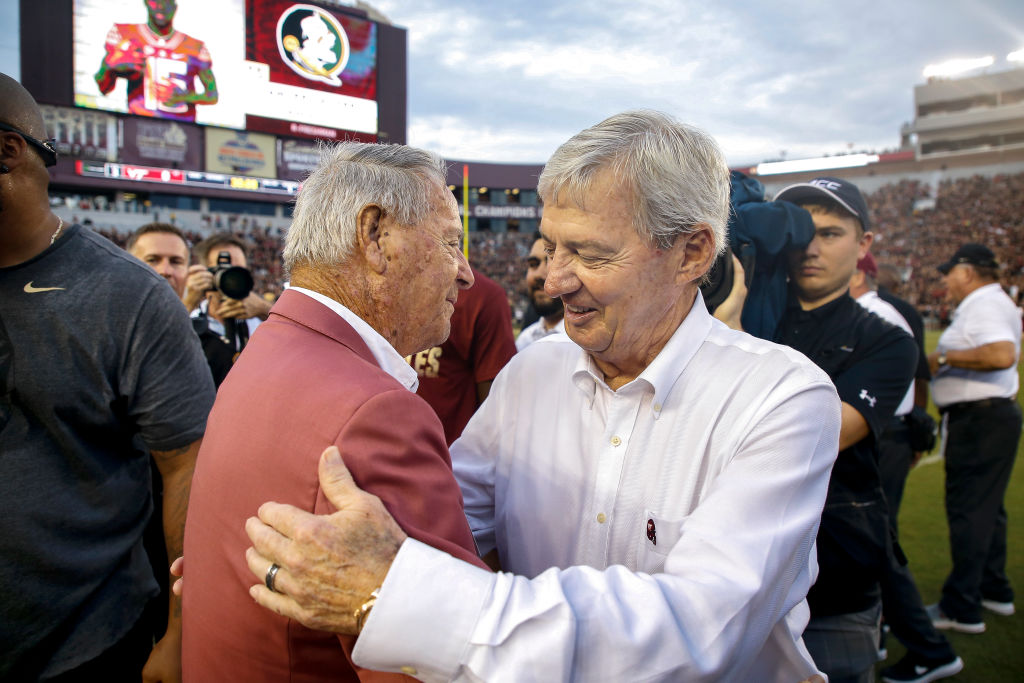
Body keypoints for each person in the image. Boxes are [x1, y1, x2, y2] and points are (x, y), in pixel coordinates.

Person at [242, 111, 843, 681]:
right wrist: (290, 556)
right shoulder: (531, 373)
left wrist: (396, 595)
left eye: (590, 254)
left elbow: (696, 635)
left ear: (692, 253)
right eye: (553, 246)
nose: (554, 280)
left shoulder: (783, 400)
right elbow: (438, 522)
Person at [181, 142, 488, 681]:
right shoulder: (375, 411)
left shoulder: (269, 348)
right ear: (375, 235)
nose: (465, 272)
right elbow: (441, 662)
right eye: (450, 242)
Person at [0, 72, 214, 680]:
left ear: (7, 150)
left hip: (83, 642)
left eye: (180, 260)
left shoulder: (127, 295)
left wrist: (181, 628)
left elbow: (188, 465)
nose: (170, 270)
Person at [771, 177, 925, 683]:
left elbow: (819, 437)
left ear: (864, 245)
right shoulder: (750, 319)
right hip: (731, 577)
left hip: (834, 584)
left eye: (831, 233)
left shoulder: (886, 340)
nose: (811, 248)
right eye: (801, 232)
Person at [848, 253, 962, 683]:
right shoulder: (886, 311)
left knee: (873, 540)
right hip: (888, 431)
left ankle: (928, 647)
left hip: (878, 433)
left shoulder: (870, 313)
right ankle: (883, 629)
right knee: (874, 538)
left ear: (859, 271)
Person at [926, 243, 1022, 634]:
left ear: (966, 272)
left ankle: (962, 607)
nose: (946, 281)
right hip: (988, 417)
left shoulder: (983, 303)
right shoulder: (992, 302)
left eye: (950, 272)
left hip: (980, 419)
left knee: (969, 510)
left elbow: (1002, 354)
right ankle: (993, 588)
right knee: (987, 510)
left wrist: (944, 360)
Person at [408, 265, 516, 445]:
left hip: (449, 458)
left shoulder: (483, 296)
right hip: (383, 453)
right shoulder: (378, 286)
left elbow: (495, 404)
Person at [127, 222, 235, 386]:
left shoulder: (208, 343)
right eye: (153, 260)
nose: (166, 270)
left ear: (188, 270)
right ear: (128, 265)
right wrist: (188, 304)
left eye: (176, 261)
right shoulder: (107, 326)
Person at [95, 0, 219, 122]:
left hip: (183, 131)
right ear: (146, 2)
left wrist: (183, 96)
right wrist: (109, 66)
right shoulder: (125, 34)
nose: (161, 6)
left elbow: (212, 96)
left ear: (175, 6)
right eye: (155, 1)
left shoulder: (195, 46)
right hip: (138, 126)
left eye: (166, 1)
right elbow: (103, 88)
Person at [185, 232, 272, 353]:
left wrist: (265, 310)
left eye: (238, 269)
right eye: (223, 269)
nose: (231, 277)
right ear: (204, 272)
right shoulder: (190, 320)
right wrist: (188, 303)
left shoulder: (259, 322)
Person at [515, 231, 566, 350]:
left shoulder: (589, 347)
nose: (539, 274)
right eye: (534, 264)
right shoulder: (524, 340)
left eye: (553, 261)